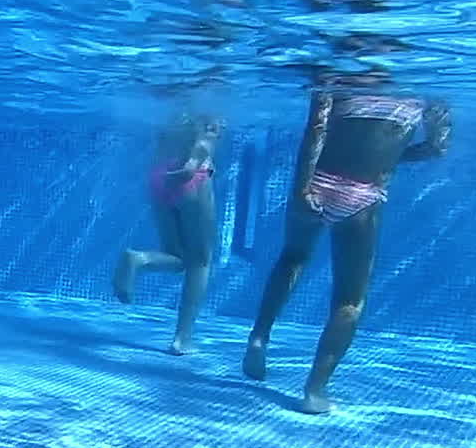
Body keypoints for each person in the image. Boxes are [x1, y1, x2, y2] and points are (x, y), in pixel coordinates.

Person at [242, 76, 451, 414]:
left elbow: (317, 130)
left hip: (317, 181)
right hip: (364, 196)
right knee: (350, 300)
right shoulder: (428, 88)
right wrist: (390, 156)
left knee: (292, 258)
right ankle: (315, 390)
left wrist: (301, 188)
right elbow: (437, 147)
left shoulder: (334, 76)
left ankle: (259, 336)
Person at [113, 111, 224, 354]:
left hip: (160, 177)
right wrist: (193, 164)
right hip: (191, 177)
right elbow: (205, 135)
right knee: (201, 262)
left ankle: (140, 258)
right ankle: (182, 339)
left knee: (177, 258)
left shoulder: (170, 108)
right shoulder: (207, 100)